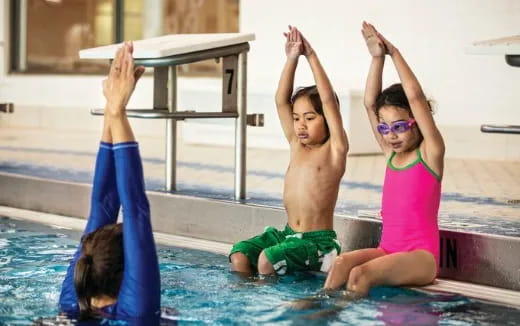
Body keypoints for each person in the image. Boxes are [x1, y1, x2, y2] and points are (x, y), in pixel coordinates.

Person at [324, 22, 445, 296]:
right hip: (388, 249)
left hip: (421, 256)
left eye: (400, 126)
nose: (392, 135)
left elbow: (414, 96)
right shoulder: (391, 155)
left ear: (417, 121)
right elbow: (369, 104)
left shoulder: (430, 154)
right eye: (385, 128)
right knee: (342, 264)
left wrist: (394, 53)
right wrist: (376, 58)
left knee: (360, 274)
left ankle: (339, 311)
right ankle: (322, 310)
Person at [229, 26, 348, 276]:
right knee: (240, 254)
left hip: (317, 242)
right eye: (296, 118)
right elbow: (281, 100)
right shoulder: (297, 144)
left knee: (267, 260)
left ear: (327, 118)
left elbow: (327, 100)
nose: (300, 125)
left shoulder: (334, 149)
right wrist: (291, 59)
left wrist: (311, 56)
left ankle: (270, 304)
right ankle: (251, 301)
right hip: (288, 234)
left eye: (310, 118)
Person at [58, 42, 163, 323]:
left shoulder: (73, 300)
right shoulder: (135, 315)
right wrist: (116, 112)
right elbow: (132, 208)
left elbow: (110, 205)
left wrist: (114, 108)